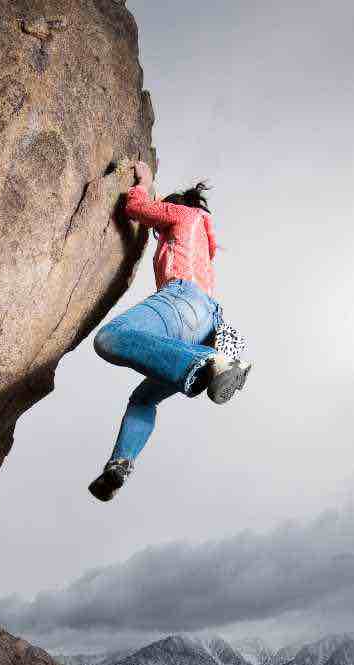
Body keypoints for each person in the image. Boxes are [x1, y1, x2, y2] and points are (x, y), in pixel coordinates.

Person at [88, 161, 251, 502]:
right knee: (144, 398)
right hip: (206, 322)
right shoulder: (202, 239)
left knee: (111, 338)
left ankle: (212, 362)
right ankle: (120, 463)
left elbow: (138, 208)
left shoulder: (182, 215)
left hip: (182, 301)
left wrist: (143, 183)